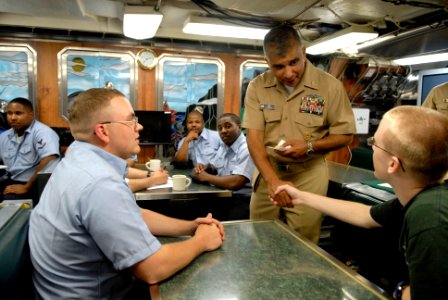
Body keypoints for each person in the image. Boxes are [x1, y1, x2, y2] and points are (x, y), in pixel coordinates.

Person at [29, 88, 225, 299]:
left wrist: (190, 227)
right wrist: (202, 241)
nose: (139, 127)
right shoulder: (100, 183)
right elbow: (152, 268)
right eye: (131, 121)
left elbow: (132, 214)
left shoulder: (79, 158)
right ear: (103, 131)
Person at [271, 106, 448, 300]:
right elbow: (366, 215)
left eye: (375, 142)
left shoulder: (430, 219)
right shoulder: (424, 197)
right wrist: (301, 197)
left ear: (393, 164)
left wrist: (402, 290)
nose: (371, 147)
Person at [242, 25, 356, 243]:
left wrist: (310, 146)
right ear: (267, 62)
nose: (288, 73)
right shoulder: (257, 87)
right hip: (269, 172)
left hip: (308, 173)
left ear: (304, 53)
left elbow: (345, 135)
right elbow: (254, 138)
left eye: (294, 62)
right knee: (260, 236)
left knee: (304, 241)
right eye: (279, 66)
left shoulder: (329, 87)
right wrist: (273, 180)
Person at [0, 97, 59, 200]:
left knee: (7, 200)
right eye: (9, 113)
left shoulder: (43, 133)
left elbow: (49, 158)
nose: (13, 118)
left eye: (18, 113)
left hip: (34, 184)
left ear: (31, 115)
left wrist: (26, 187)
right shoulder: (4, 136)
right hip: (10, 179)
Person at [193, 113, 254, 191]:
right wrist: (205, 167)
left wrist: (205, 177)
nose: (223, 131)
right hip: (223, 193)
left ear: (239, 127)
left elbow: (236, 182)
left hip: (241, 197)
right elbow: (216, 168)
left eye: (228, 126)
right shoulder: (224, 145)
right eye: (220, 128)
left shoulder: (246, 148)